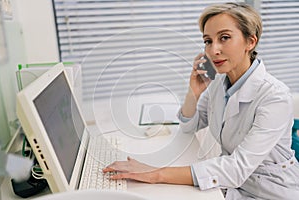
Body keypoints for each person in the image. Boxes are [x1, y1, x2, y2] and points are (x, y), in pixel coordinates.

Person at [103, 2, 299, 199]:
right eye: (208, 41)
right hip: (229, 184)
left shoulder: (275, 97)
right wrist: (194, 92)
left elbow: (237, 168)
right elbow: (190, 127)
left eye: (224, 38)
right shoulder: (220, 82)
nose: (213, 50)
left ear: (250, 42)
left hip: (270, 192)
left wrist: (154, 173)